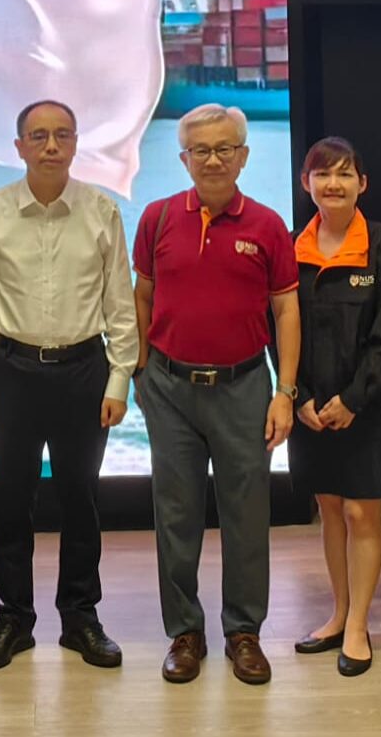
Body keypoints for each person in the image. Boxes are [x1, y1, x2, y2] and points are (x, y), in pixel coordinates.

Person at [0, 100, 137, 673]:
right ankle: (14, 618)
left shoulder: (103, 211)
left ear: (77, 142)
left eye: (62, 135)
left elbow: (121, 307)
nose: (51, 145)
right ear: (19, 147)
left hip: (85, 372)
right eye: (39, 135)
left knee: (80, 499)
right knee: (11, 501)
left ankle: (81, 616)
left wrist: (119, 380)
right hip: (8, 372)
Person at [132, 102, 300, 686]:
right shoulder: (155, 219)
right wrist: (140, 373)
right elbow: (143, 297)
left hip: (245, 387)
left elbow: (286, 310)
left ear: (244, 155)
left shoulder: (269, 225)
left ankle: (243, 632)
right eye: (199, 150)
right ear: (182, 159)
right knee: (175, 515)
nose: (212, 159)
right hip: (170, 389)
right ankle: (184, 632)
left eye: (224, 148)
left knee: (246, 515)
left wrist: (286, 392)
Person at [287, 137, 381, 680]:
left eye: (344, 174)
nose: (333, 184)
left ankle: (359, 624)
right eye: (322, 174)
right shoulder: (295, 249)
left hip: (370, 406)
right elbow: (283, 330)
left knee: (362, 512)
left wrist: (354, 399)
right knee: (331, 509)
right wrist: (304, 397)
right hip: (314, 409)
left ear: (363, 184)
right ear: (306, 184)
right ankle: (337, 613)